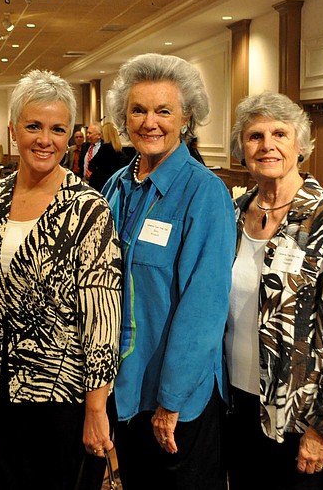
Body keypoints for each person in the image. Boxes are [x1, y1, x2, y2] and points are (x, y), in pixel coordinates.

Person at [0, 69, 122, 490]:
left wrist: (97, 409)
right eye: (33, 126)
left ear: (70, 135)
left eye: (58, 129)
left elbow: (102, 320)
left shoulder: (88, 209)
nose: (45, 139)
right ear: (12, 129)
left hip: (64, 398)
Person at [225, 91, 323, 490]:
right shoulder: (236, 213)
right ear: (242, 148)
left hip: (301, 414)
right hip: (239, 403)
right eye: (255, 135)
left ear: (301, 146)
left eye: (280, 134)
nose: (267, 145)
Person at [101, 53, 235, 489]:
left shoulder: (205, 193)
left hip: (174, 395)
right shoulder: (116, 187)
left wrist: (171, 399)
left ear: (187, 118)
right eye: (138, 110)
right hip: (125, 383)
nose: (149, 122)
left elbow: (203, 307)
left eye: (164, 111)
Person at [85, 121, 128, 193]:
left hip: (101, 185)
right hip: (113, 185)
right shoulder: (119, 150)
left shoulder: (105, 148)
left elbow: (91, 165)